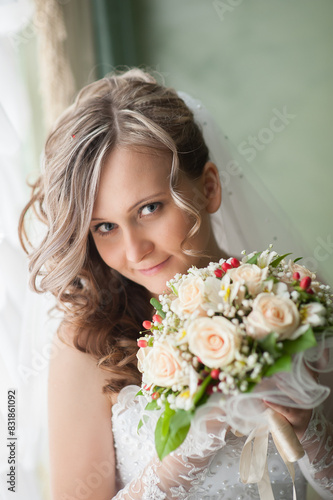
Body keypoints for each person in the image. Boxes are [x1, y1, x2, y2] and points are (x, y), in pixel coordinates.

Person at [19, 68, 333, 500]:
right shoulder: (85, 343)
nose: (134, 250)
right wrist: (183, 455)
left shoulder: (289, 302)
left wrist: (310, 428)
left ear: (208, 187)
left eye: (149, 208)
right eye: (105, 226)